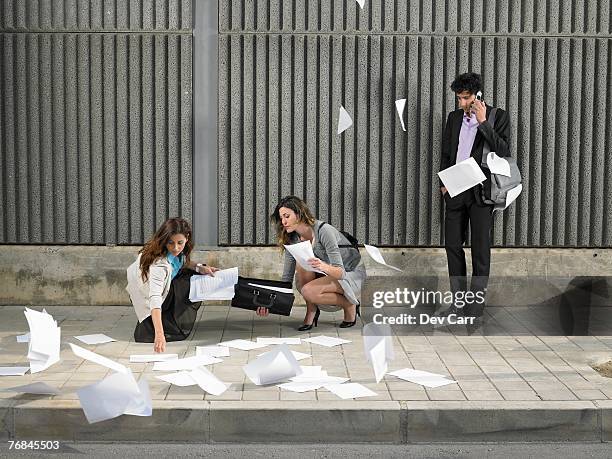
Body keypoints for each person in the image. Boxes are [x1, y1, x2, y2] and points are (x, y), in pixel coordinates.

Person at [439, 72, 511, 317]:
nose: (461, 103)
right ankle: (458, 301)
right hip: (455, 190)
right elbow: (447, 152)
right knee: (452, 246)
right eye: (458, 98)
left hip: (482, 194)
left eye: (466, 98)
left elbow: (503, 150)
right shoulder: (454, 117)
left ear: (478, 95)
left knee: (480, 250)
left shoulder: (497, 116)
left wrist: (483, 123)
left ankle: (476, 305)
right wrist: (444, 183)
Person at [257, 196, 367, 330]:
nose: (284, 222)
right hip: (325, 274)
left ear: (299, 214)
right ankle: (311, 311)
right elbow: (286, 279)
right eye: (281, 218)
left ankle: (349, 305)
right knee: (301, 265)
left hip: (351, 274)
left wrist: (322, 266)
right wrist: (270, 303)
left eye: (287, 216)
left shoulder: (323, 231)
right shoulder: (293, 239)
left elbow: (341, 272)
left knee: (308, 291)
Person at [125, 218, 219, 352]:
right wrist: (159, 335)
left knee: (192, 275)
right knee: (187, 284)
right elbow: (155, 298)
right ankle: (161, 325)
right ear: (164, 241)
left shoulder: (176, 252)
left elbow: (181, 261)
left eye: (180, 243)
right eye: (171, 243)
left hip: (160, 288)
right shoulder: (159, 264)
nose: (176, 248)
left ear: (187, 238)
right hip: (149, 295)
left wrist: (199, 267)